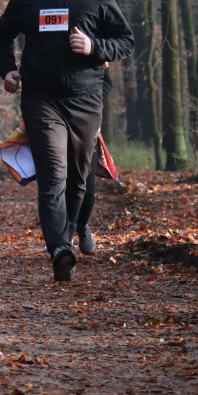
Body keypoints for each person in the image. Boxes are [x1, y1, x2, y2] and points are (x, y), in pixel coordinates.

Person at [0, 0, 133, 281]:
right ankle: (59, 248)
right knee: (53, 174)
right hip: (42, 100)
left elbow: (125, 41)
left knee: (80, 177)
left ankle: (70, 232)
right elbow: (1, 35)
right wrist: (8, 70)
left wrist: (94, 48)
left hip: (86, 100)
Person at [71, 66, 113, 256]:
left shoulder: (92, 44)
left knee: (87, 188)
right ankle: (65, 235)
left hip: (88, 123)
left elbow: (107, 82)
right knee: (59, 183)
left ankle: (82, 225)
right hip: (54, 120)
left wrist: (89, 98)